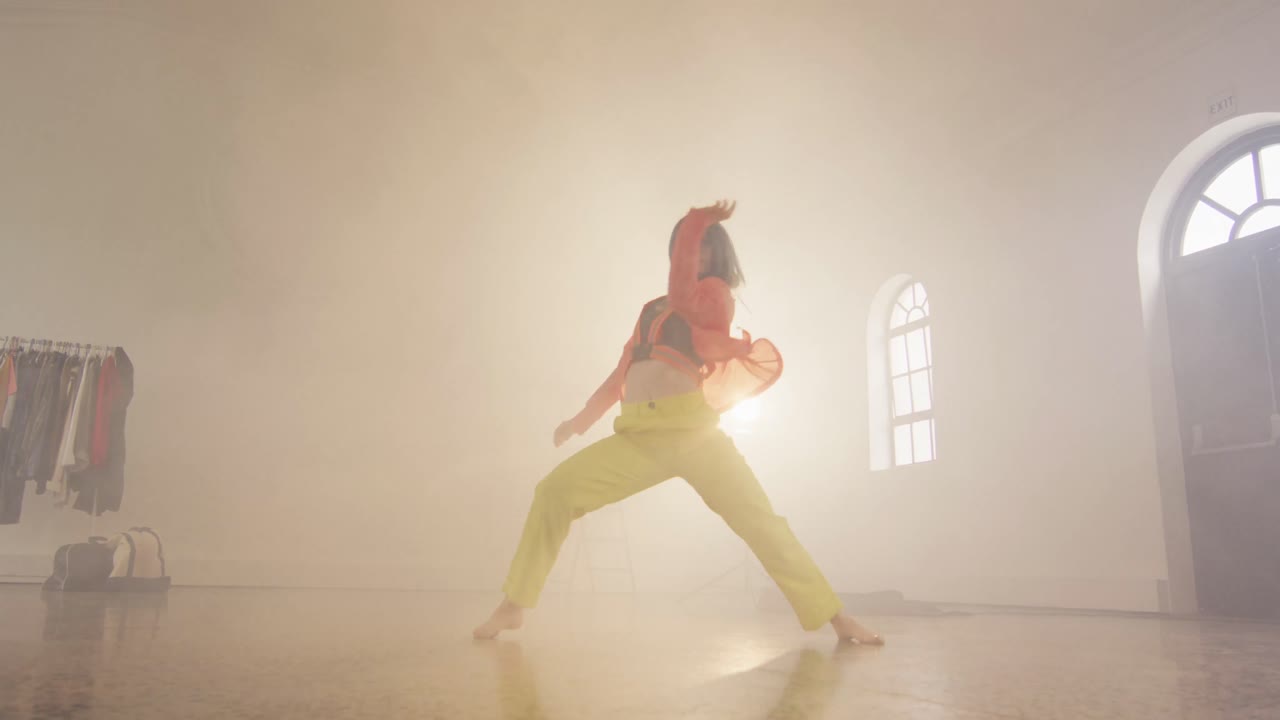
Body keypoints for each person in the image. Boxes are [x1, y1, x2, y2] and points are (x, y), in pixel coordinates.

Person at [474, 200, 883, 645]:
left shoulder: (712, 295)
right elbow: (621, 373)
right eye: (691, 248)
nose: (698, 256)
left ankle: (837, 619)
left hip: (694, 435)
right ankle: (513, 606)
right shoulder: (651, 309)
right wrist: (579, 421)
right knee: (554, 491)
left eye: (707, 248)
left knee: (762, 523)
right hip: (638, 436)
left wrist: (695, 222)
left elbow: (685, 293)